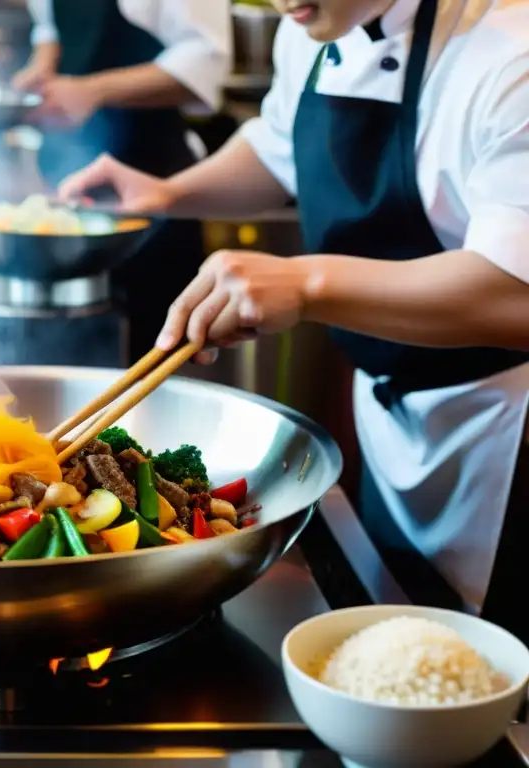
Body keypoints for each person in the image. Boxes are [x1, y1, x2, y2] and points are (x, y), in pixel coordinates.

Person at [58, 0, 529, 643]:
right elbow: (277, 147)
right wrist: (169, 192)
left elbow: (515, 296)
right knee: (422, 638)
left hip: (507, 422)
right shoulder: (312, 27)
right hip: (391, 409)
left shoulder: (509, 55)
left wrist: (307, 282)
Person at [13, 0, 232, 359]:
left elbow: (208, 63)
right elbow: (51, 27)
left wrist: (91, 91)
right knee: (72, 356)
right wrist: (41, 69)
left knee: (152, 351)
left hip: (152, 185)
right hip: (64, 186)